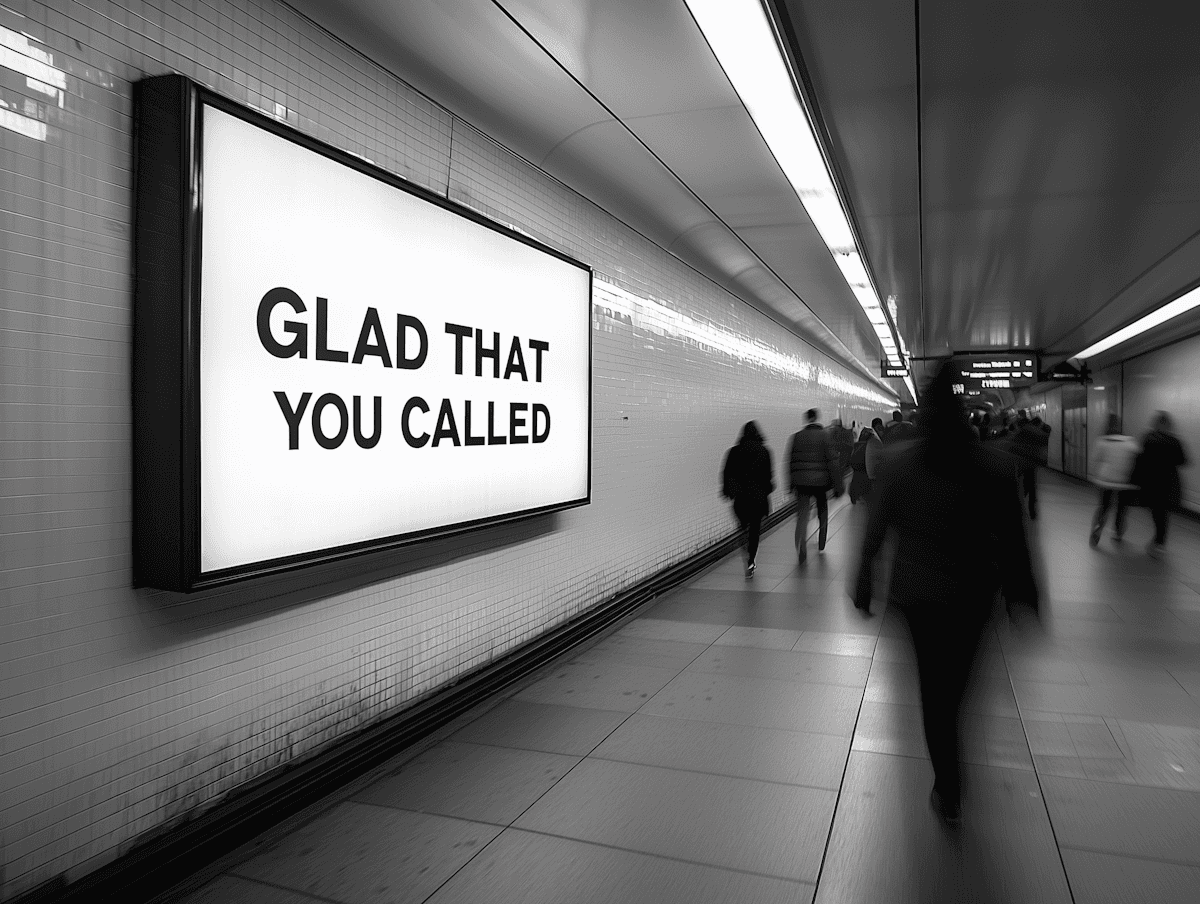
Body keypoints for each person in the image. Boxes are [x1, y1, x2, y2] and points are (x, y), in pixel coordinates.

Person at [853, 360, 1038, 823]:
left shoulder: (899, 465)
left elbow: (875, 529)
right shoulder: (993, 465)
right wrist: (1023, 593)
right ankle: (951, 761)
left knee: (933, 691)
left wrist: (863, 581)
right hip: (972, 598)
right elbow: (1013, 538)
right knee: (955, 687)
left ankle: (948, 785)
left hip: (918, 598)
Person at [787, 408, 843, 562]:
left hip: (801, 483)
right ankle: (821, 541)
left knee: (802, 515)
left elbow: (791, 462)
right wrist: (838, 485)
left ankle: (802, 545)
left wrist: (790, 484)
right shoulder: (825, 436)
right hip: (821, 482)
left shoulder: (797, 437)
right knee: (822, 510)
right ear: (817, 418)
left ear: (807, 419)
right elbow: (833, 462)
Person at [721, 421, 775, 577]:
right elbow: (768, 476)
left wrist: (727, 491)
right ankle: (751, 560)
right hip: (758, 499)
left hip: (741, 499)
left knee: (743, 526)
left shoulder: (733, 452)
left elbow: (727, 474)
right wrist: (767, 489)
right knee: (755, 530)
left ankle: (744, 543)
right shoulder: (765, 451)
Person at [1134, 411, 1188, 559]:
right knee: (1163, 513)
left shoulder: (1148, 438)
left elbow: (1141, 458)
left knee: (1157, 513)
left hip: (1152, 481)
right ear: (1169, 425)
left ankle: (1159, 542)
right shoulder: (1175, 440)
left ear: (1156, 423)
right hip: (1169, 482)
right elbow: (1183, 460)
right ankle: (1159, 542)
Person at [1089, 413, 1139, 547]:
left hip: (1105, 480)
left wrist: (1095, 476)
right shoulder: (1130, 442)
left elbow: (1094, 460)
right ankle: (1118, 532)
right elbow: (1137, 458)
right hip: (1124, 481)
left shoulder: (1102, 441)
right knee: (1121, 508)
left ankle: (1097, 528)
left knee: (1104, 506)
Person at [848, 426, 882, 504]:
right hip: (866, 474)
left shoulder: (857, 445)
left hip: (857, 472)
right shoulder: (872, 445)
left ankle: (855, 498)